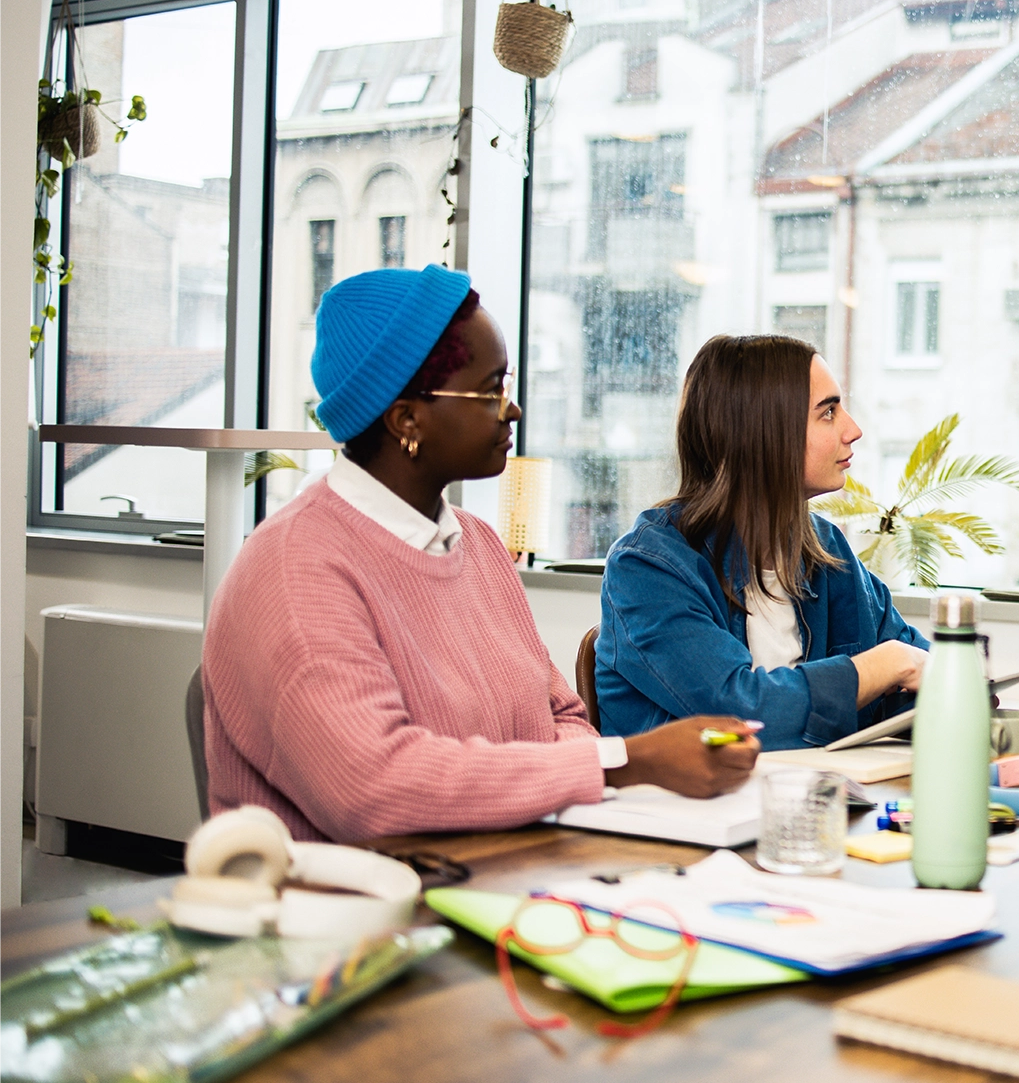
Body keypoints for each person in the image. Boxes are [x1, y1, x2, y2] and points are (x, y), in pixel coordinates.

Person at [201, 266, 758, 843]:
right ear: (406, 419)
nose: (511, 411)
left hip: (514, 872)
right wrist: (625, 762)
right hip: (364, 912)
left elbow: (561, 718)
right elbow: (374, 787)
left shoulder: (478, 543)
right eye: (491, 391)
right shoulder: (295, 569)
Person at [594, 334, 928, 750]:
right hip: (691, 812)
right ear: (763, 433)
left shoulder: (827, 551)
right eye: (827, 412)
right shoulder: (647, 568)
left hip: (807, 799)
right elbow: (737, 714)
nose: (853, 430)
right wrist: (886, 665)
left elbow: (914, 676)